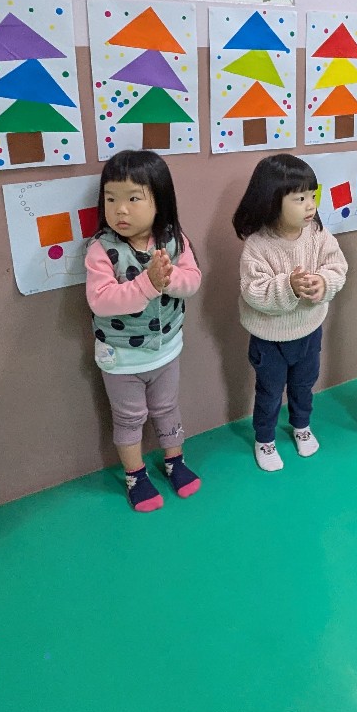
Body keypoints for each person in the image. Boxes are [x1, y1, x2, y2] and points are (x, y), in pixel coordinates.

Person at [85, 150, 203, 511]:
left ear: (159, 201)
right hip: (121, 358)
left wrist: (168, 277)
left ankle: (175, 461)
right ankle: (135, 475)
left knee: (167, 408)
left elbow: (193, 281)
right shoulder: (101, 249)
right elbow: (101, 300)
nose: (120, 210)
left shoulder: (174, 239)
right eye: (111, 199)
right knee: (129, 419)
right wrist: (148, 284)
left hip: (167, 349)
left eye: (133, 199)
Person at [233, 154, 348, 472]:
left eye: (312, 195)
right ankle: (264, 439)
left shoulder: (318, 233)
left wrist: (323, 282)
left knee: (304, 385)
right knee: (269, 392)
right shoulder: (258, 245)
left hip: (309, 330)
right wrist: (289, 286)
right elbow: (253, 291)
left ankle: (301, 425)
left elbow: (337, 266)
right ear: (272, 201)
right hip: (270, 338)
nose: (310, 205)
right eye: (300, 199)